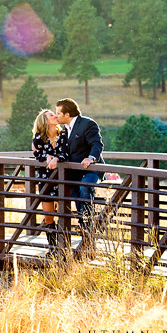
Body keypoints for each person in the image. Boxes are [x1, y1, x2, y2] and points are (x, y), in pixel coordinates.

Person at [53, 98, 104, 239]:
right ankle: (85, 229)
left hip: (91, 170)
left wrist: (91, 158)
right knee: (75, 193)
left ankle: (88, 226)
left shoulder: (88, 124)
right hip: (74, 173)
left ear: (67, 115)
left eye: (58, 113)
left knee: (85, 186)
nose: (56, 115)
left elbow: (97, 144)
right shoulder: (64, 131)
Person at [31, 109, 69, 250]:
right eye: (52, 115)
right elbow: (38, 156)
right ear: (45, 121)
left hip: (62, 178)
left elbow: (66, 153)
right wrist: (46, 157)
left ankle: (62, 247)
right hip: (45, 179)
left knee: (62, 214)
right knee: (48, 217)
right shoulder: (39, 138)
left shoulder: (63, 134)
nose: (56, 116)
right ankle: (52, 247)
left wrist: (57, 158)